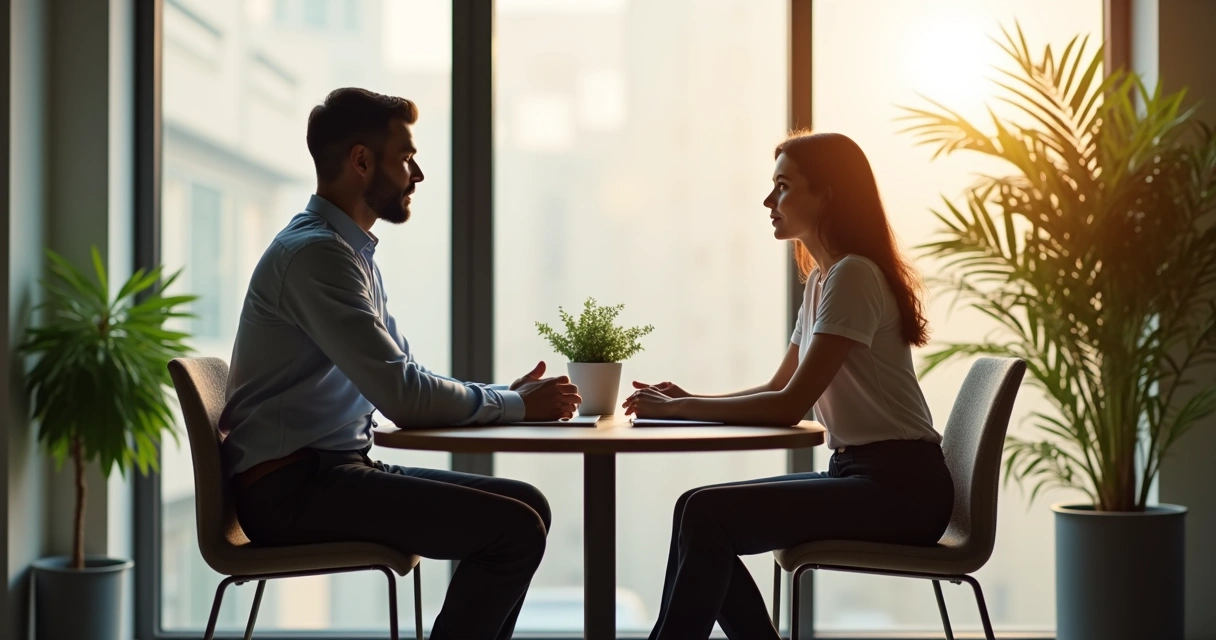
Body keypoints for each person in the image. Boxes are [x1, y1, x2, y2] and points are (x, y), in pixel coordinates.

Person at [219, 87, 581, 640]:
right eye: (407, 156)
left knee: (526, 505)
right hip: (291, 491)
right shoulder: (316, 256)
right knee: (515, 530)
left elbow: (407, 375)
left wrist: (507, 397)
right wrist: (514, 405)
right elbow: (405, 398)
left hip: (332, 471)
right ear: (362, 161)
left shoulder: (348, 253)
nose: (418, 174)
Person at [624, 131, 953, 640]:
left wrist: (680, 409)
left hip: (902, 491)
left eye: (783, 186)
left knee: (707, 515)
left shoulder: (854, 276)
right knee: (697, 509)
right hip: (861, 476)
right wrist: (688, 399)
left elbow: (789, 405)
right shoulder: (823, 280)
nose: (768, 201)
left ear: (827, 196)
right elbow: (780, 387)